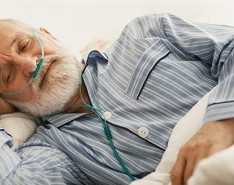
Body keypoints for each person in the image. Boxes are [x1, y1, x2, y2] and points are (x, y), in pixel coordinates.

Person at [0, 13, 234, 185]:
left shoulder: (145, 32)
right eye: (8, 75)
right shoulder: (52, 148)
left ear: (47, 34)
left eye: (24, 45)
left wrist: (222, 122)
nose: (31, 65)